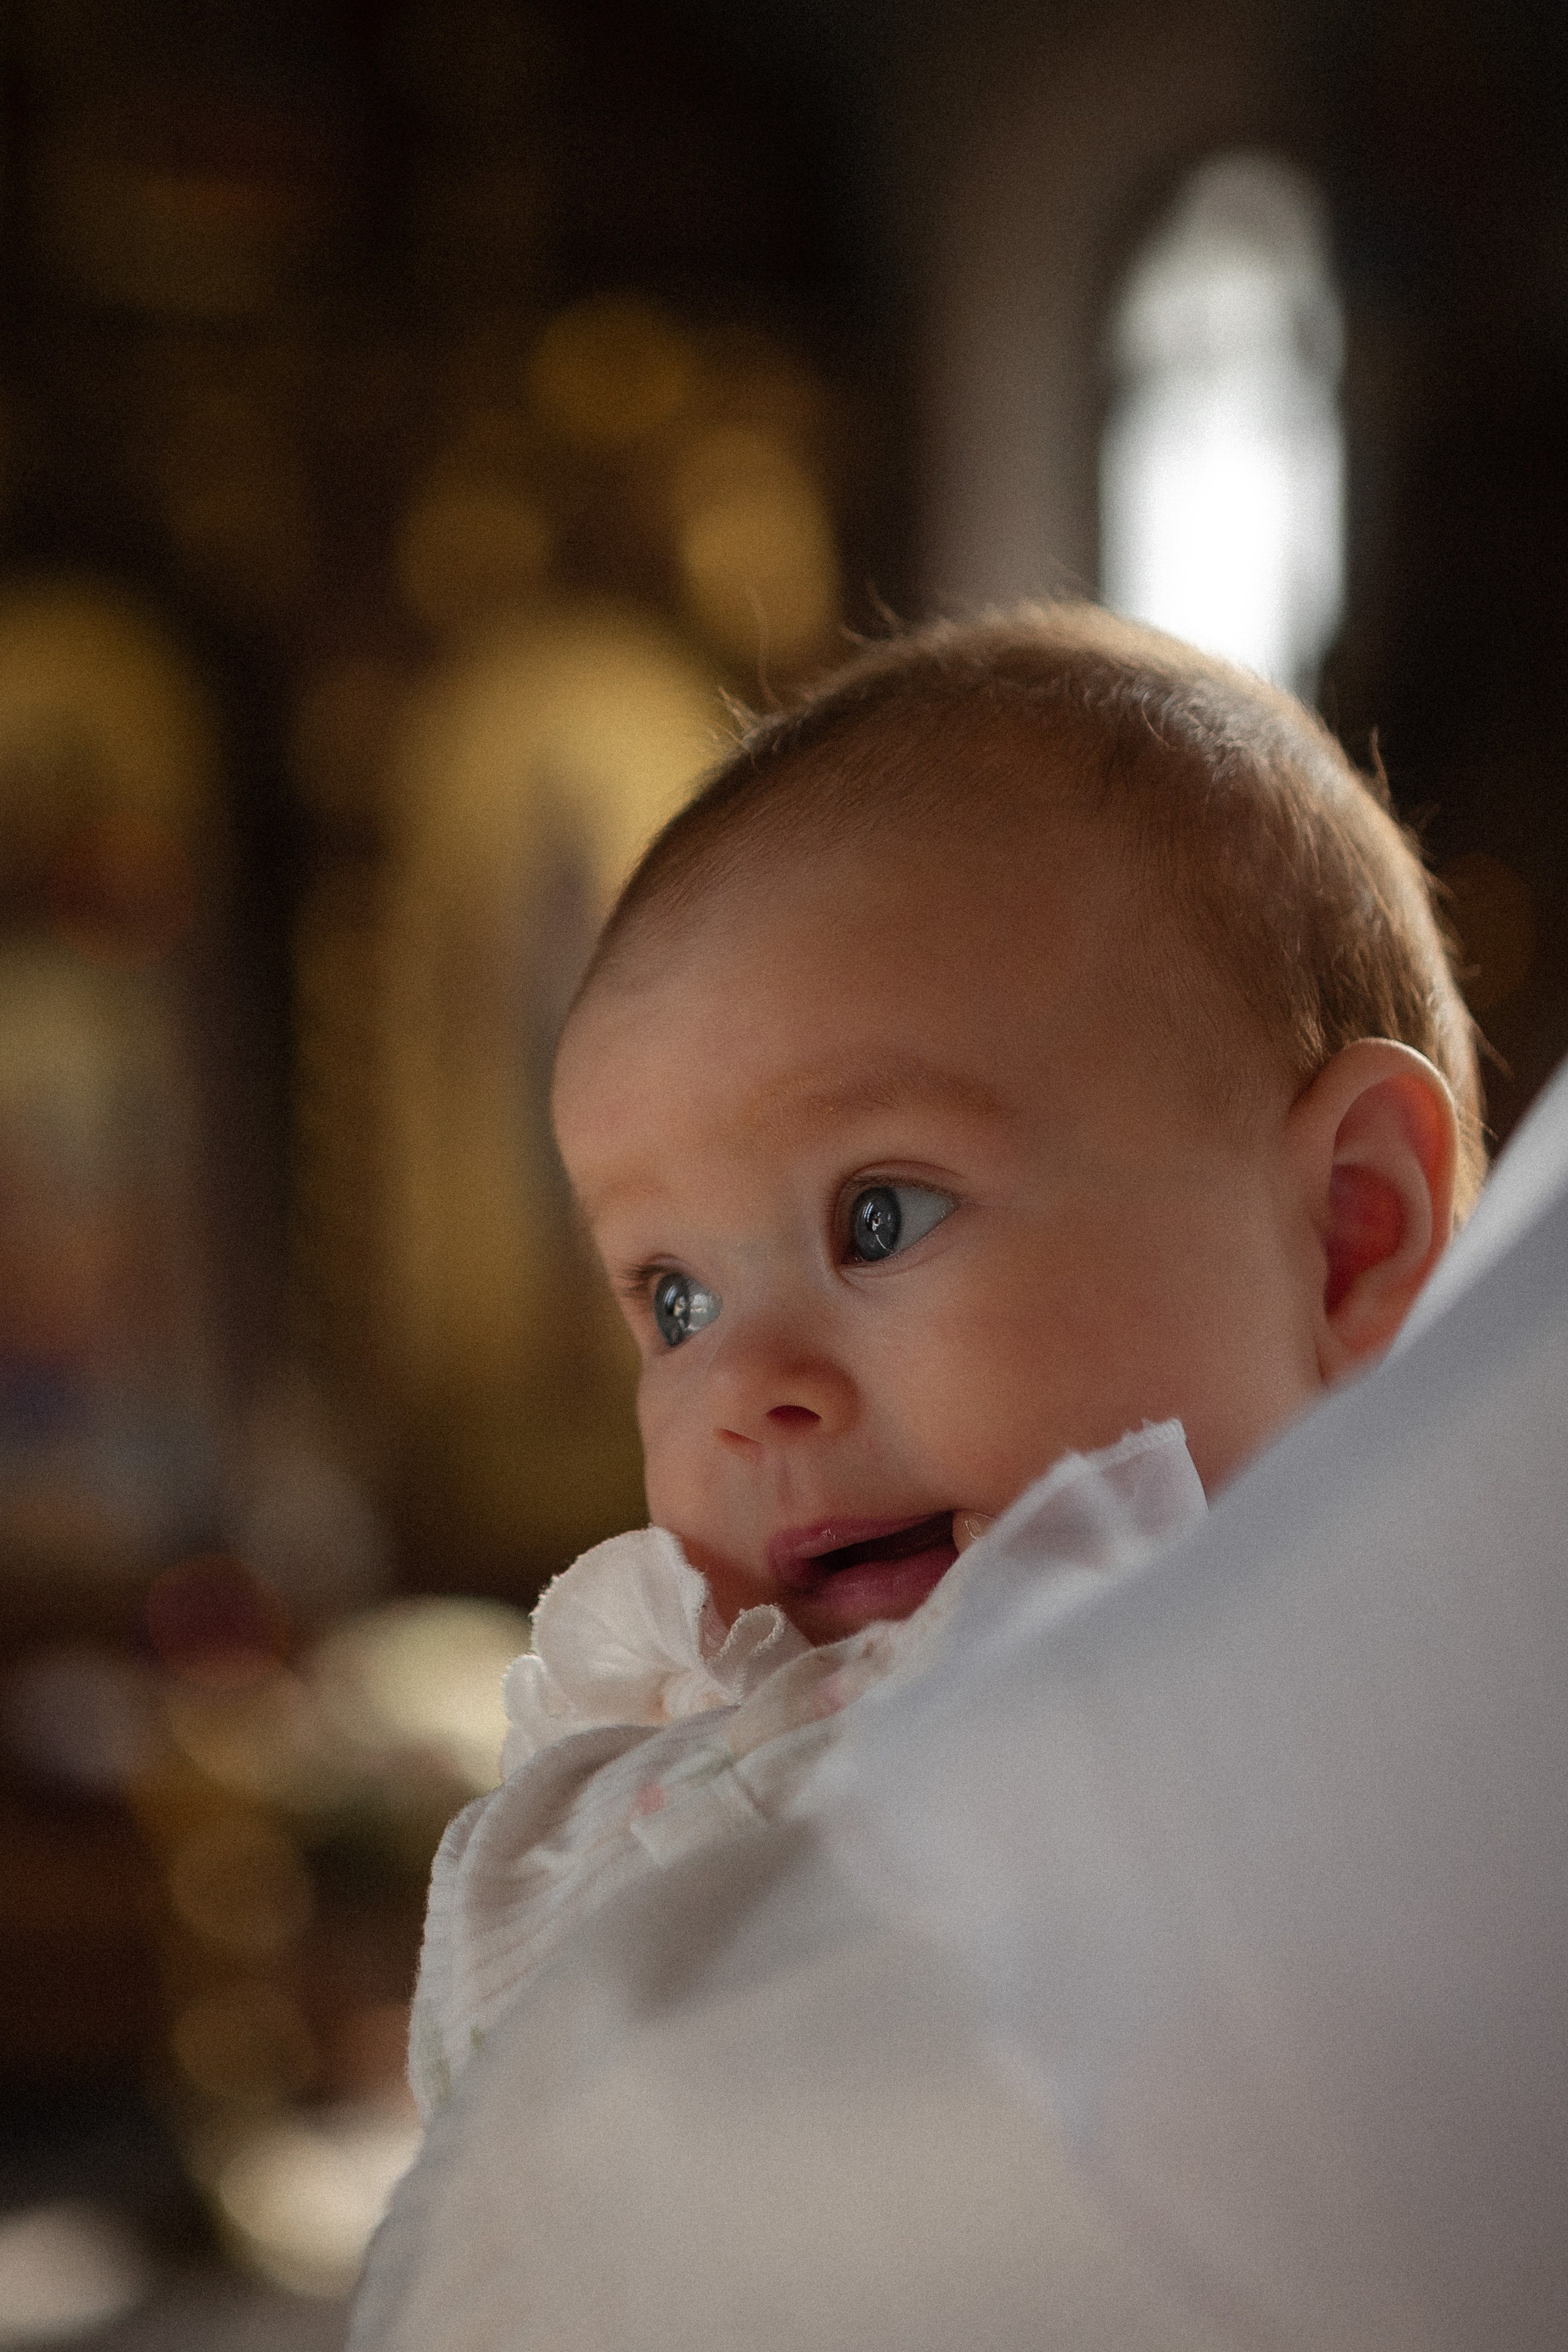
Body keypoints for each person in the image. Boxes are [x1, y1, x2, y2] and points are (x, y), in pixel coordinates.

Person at [352, 606, 1490, 2347]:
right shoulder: (687, 1765)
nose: (747, 1387)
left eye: (880, 1214)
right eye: (673, 1298)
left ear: (1349, 1232)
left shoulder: (1464, 1739)